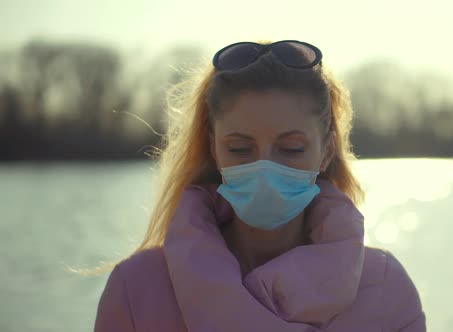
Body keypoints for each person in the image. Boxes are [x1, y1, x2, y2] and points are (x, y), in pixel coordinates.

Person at [94, 40, 426, 331]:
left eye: (291, 148)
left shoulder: (384, 289)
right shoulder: (138, 288)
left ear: (325, 151)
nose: (265, 168)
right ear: (213, 148)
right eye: (240, 149)